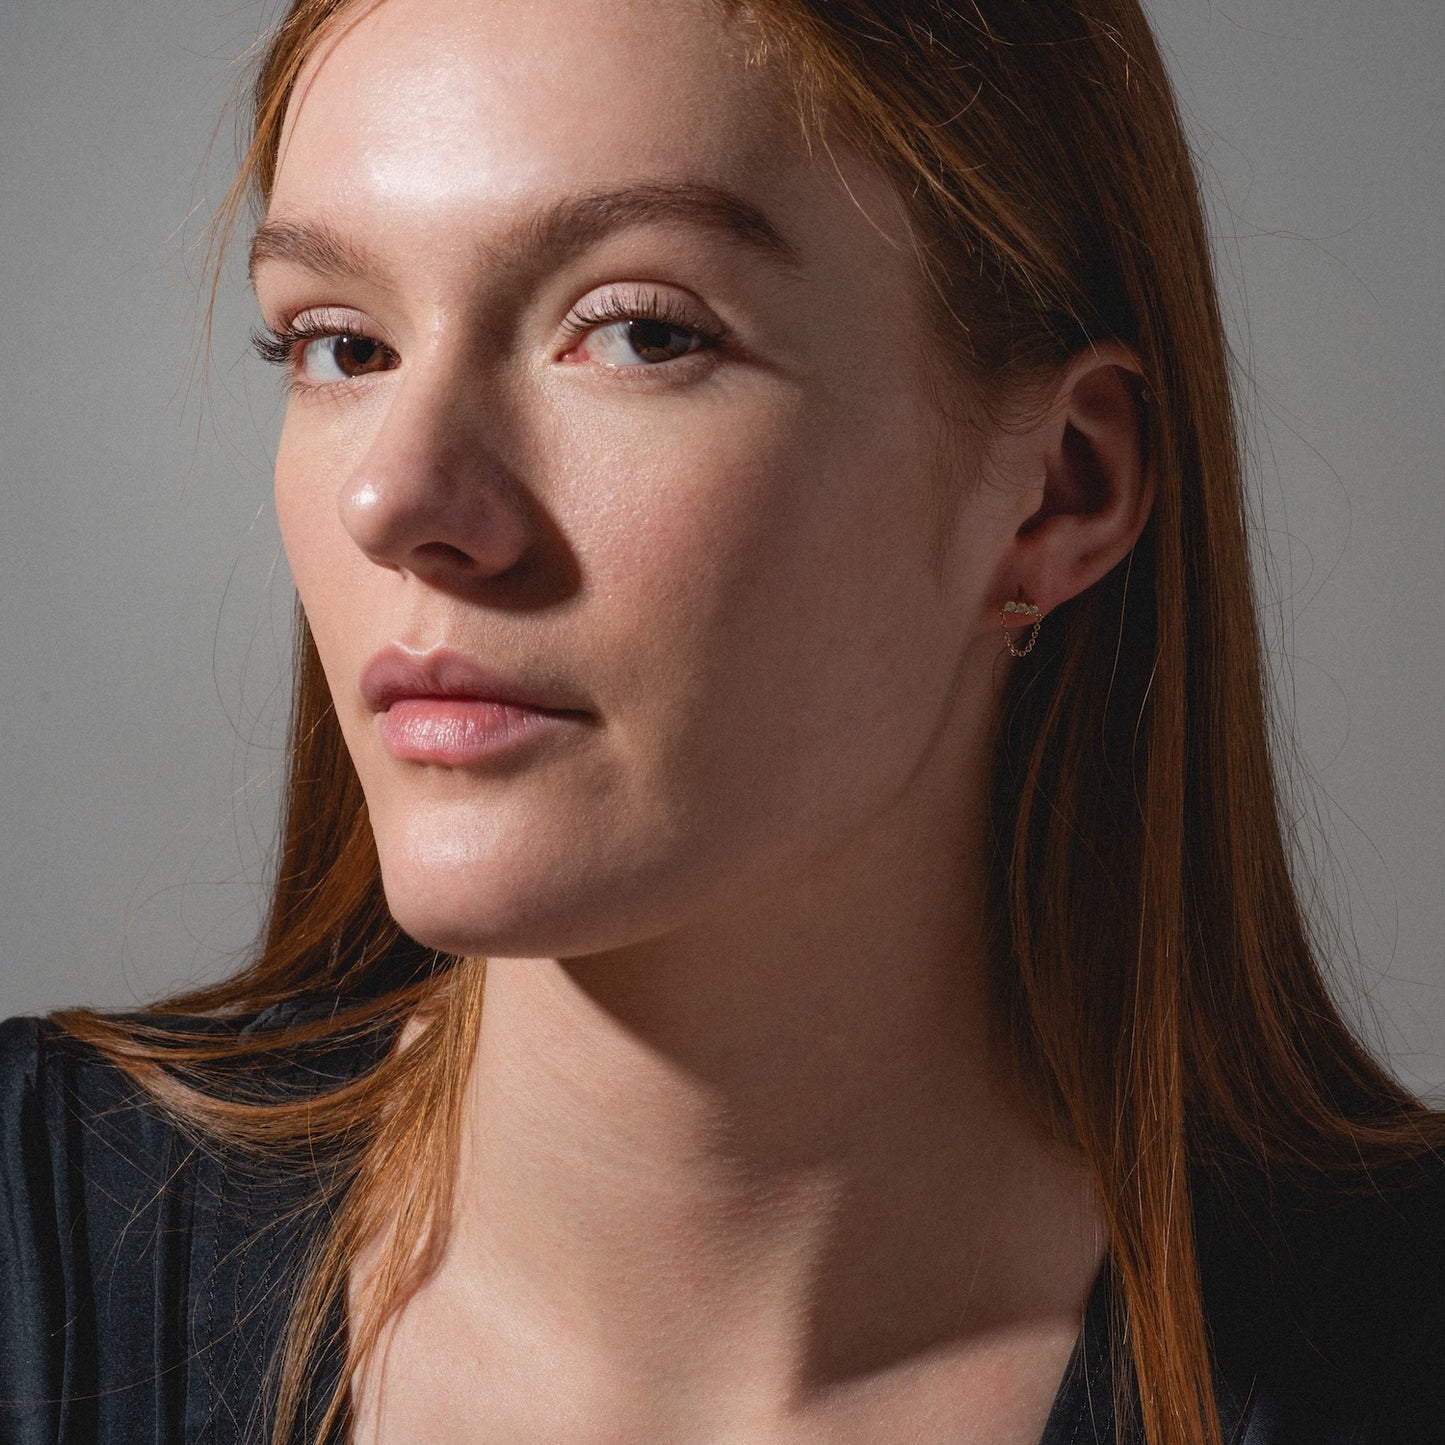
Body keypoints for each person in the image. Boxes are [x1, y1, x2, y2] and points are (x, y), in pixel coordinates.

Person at [2, 0, 1443, 1442]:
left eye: (637, 331)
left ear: (1056, 489)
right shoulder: (33, 1241)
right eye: (340, 345)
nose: (395, 496)